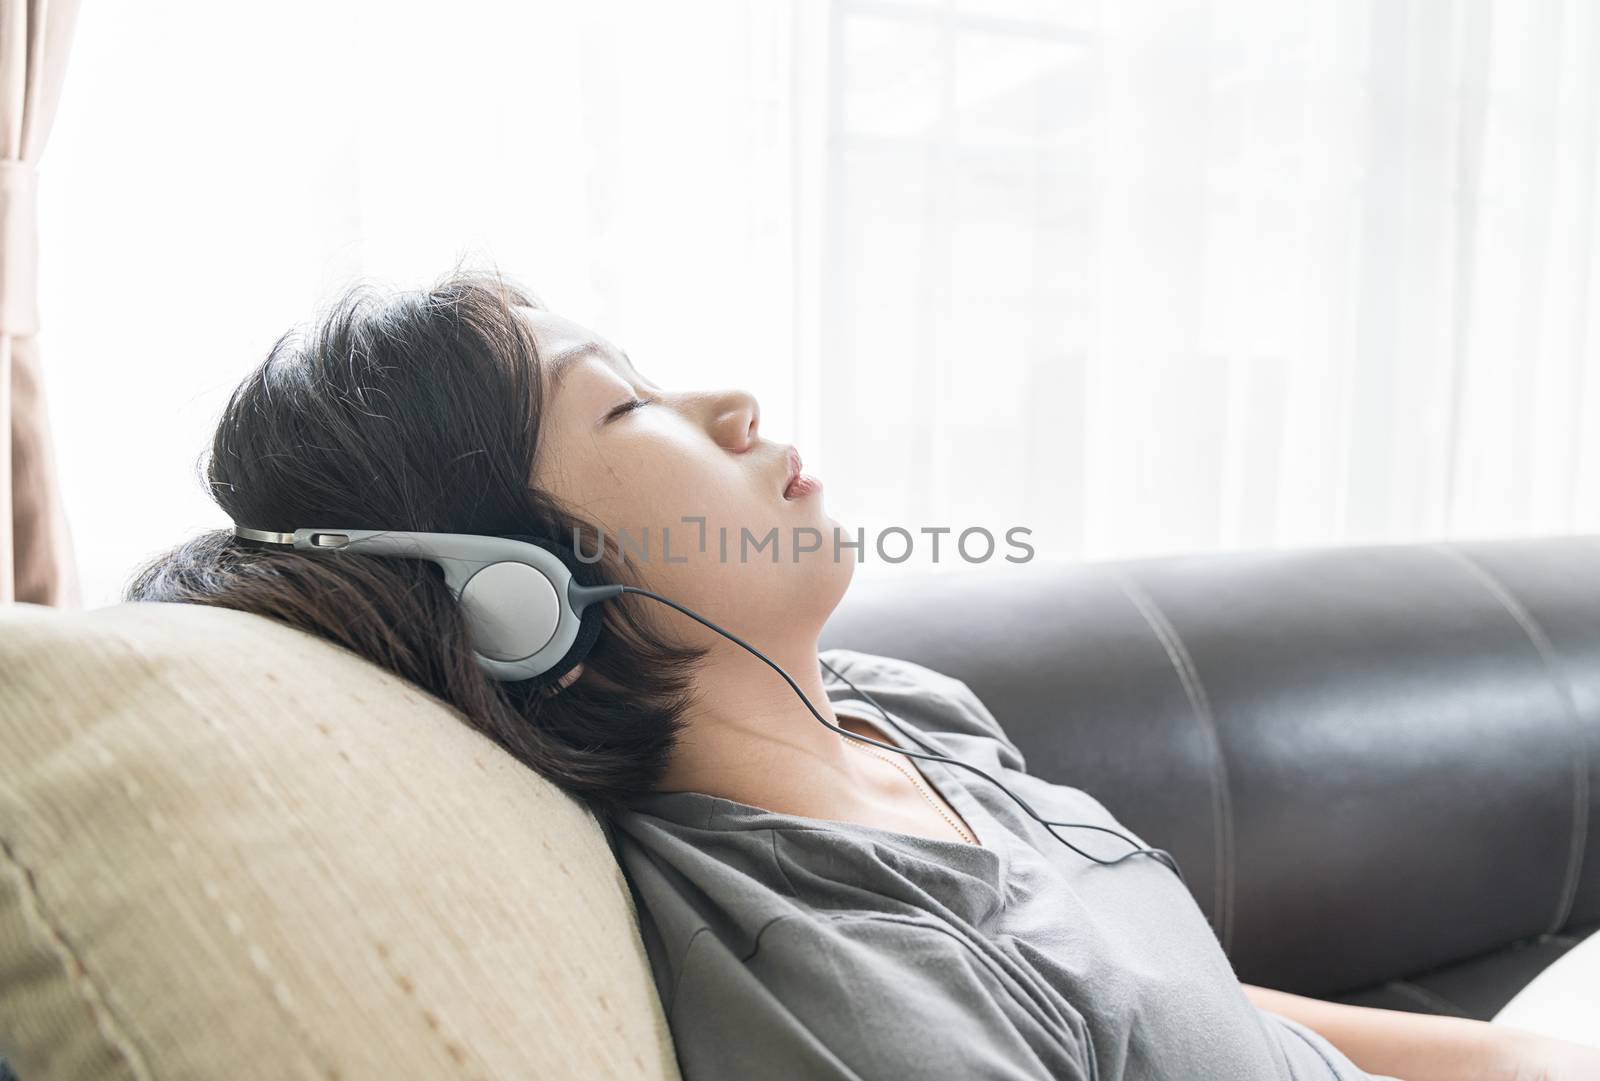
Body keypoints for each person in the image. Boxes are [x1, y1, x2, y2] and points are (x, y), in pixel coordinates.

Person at [128, 267, 1599, 1081]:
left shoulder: (900, 712)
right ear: (519, 595)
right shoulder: (832, 977)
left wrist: (1515, 1058)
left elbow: (1180, 997)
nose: (731, 401)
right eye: (628, 403)